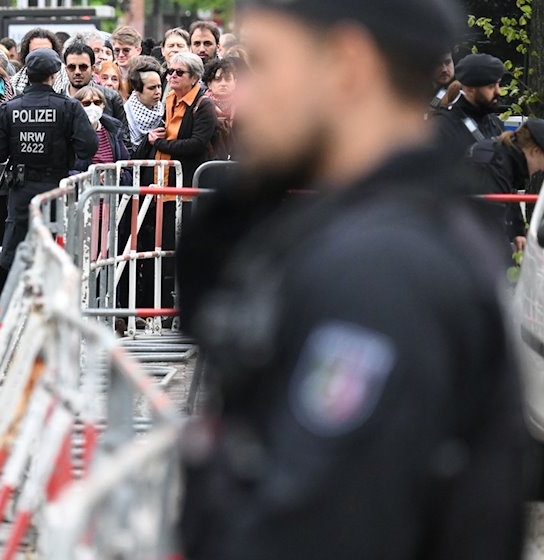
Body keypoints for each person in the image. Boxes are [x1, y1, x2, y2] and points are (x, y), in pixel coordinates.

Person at [176, 0, 527, 558]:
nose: (242, 96)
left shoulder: (379, 271)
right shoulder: (407, 227)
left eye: (264, 65)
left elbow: (316, 525)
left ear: (347, 64)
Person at [0, 48, 97, 270]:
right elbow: (88, 148)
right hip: (56, 188)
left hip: (21, 189)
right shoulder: (69, 107)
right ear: (54, 75)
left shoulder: (9, 108)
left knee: (16, 255)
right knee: (56, 252)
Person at [136, 52, 216, 186]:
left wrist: (159, 143)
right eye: (170, 71)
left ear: (194, 78)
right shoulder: (169, 99)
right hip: (160, 177)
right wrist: (153, 137)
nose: (172, 75)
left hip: (185, 181)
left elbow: (196, 144)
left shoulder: (204, 105)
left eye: (179, 72)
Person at [469, 119, 544, 255]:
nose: (541, 168)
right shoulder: (495, 164)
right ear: (535, 152)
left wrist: (517, 230)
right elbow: (490, 223)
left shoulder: (506, 159)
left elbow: (510, 192)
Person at [432, 53, 506, 157]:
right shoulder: (443, 127)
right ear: (470, 89)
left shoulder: (495, 123)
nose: (498, 92)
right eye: (491, 86)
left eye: (498, 84)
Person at [63, 40, 130, 145]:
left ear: (93, 69)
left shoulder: (110, 97)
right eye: (72, 67)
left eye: (83, 67)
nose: (77, 72)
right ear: (66, 69)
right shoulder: (58, 99)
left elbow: (124, 138)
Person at [70, 85, 131, 174]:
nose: (92, 106)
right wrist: (91, 178)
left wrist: (118, 176)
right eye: (86, 103)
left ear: (103, 105)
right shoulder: (70, 133)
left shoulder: (113, 130)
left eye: (97, 102)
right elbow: (66, 170)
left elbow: (127, 166)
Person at [203, 56, 244, 160]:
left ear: (235, 82)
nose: (223, 84)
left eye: (228, 79)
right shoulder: (201, 105)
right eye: (218, 79)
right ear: (209, 84)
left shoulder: (244, 107)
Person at [124, 56, 165, 153]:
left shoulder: (164, 112)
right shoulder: (125, 114)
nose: (157, 92)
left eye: (159, 86)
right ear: (137, 89)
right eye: (152, 88)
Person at [10, 28, 68, 94]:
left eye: (47, 51)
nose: (41, 55)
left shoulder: (68, 80)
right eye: (35, 52)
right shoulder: (13, 84)